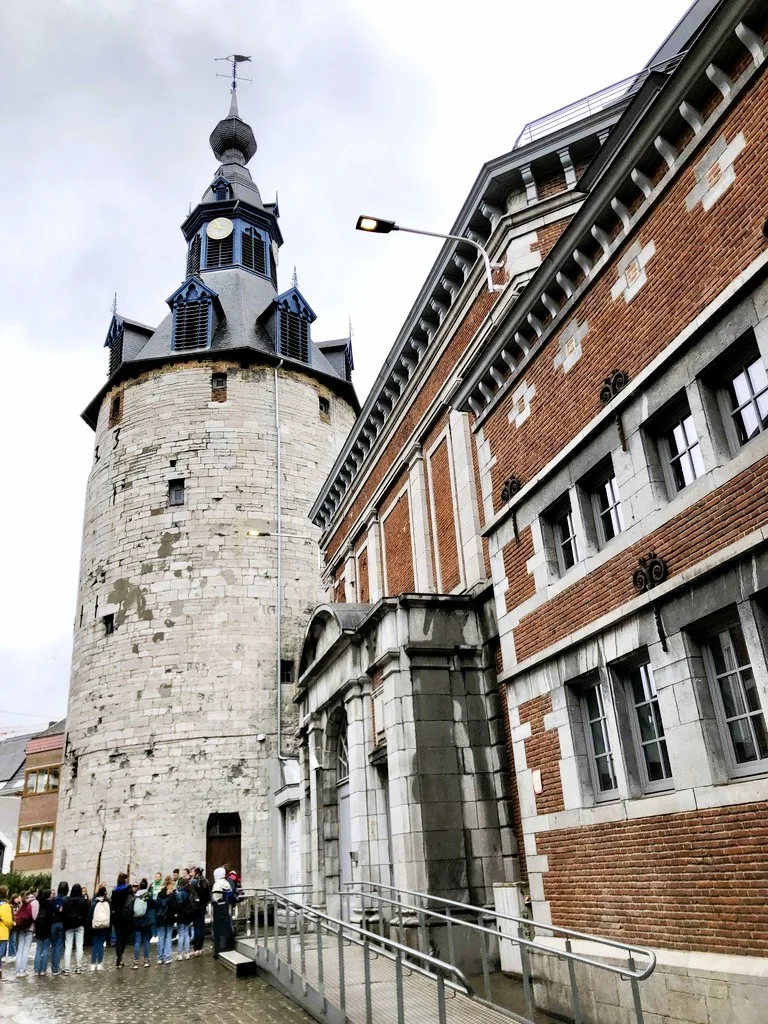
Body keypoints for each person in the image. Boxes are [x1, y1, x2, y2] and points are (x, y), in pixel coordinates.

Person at [63, 883, 89, 975]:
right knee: (79, 947)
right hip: (79, 925)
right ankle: (78, 967)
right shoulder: (82, 901)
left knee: (68, 947)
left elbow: (64, 914)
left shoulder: (67, 901)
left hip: (69, 926)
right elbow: (86, 914)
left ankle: (66, 968)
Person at [210, 867, 235, 959]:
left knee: (218, 931)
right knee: (226, 929)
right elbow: (229, 895)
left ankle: (218, 950)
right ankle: (227, 946)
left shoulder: (217, 885)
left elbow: (215, 898)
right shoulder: (226, 883)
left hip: (218, 911)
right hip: (226, 910)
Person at [111, 872, 133, 968]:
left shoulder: (114, 891)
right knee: (123, 938)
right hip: (126, 917)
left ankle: (119, 957)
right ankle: (120, 957)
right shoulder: (128, 889)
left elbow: (113, 904)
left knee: (118, 937)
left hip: (117, 917)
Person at [15, 889, 38, 979]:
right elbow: (34, 917)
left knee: (20, 948)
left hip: (21, 927)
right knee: (26, 949)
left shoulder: (21, 903)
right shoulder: (34, 902)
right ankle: (22, 970)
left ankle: (17, 970)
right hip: (30, 928)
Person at [132, 879, 152, 968]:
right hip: (145, 920)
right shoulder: (147, 895)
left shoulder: (135, 896)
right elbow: (153, 904)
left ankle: (136, 961)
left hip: (136, 920)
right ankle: (146, 960)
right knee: (146, 941)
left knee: (137, 941)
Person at [190, 868, 210, 957]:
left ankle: (196, 948)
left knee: (196, 927)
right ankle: (200, 947)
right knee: (201, 927)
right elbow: (208, 895)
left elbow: (192, 894)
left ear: (196, 872)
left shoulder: (193, 881)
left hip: (195, 907)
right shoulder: (205, 881)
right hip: (203, 906)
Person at [154, 876, 175, 966]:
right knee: (168, 937)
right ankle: (167, 957)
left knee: (161, 937)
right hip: (169, 918)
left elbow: (157, 906)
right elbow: (174, 907)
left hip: (160, 918)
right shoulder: (172, 894)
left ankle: (159, 957)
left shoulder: (159, 894)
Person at [50, 881, 68, 976]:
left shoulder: (54, 899)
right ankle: (56, 967)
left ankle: (53, 966)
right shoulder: (66, 900)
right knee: (59, 946)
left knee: (53, 946)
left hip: (53, 924)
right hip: (61, 924)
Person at [90, 886, 111, 972]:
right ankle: (99, 963)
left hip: (95, 925)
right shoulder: (107, 902)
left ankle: (92, 963)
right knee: (101, 943)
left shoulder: (94, 902)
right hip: (104, 925)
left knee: (95, 943)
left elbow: (90, 913)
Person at [33, 889, 52, 976]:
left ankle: (36, 970)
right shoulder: (49, 904)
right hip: (47, 928)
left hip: (38, 928)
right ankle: (43, 970)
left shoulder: (37, 903)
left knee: (38, 949)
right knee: (45, 949)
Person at [173, 877, 192, 960]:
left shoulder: (180, 894)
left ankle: (180, 954)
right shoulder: (189, 893)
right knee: (186, 934)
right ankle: (187, 953)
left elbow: (178, 905)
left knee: (181, 934)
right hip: (188, 915)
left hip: (181, 916)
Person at [0, 886, 14, 983]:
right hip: (2, 932)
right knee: (0, 954)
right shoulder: (6, 906)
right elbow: (8, 921)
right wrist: (12, 924)